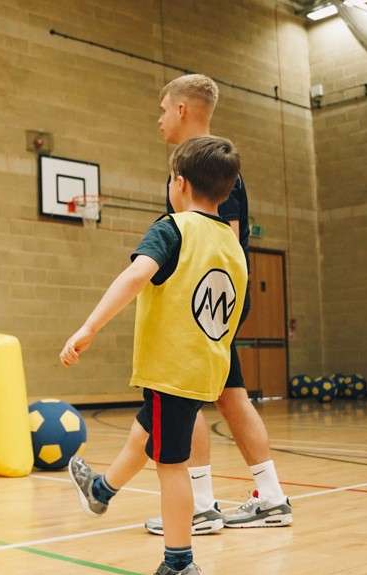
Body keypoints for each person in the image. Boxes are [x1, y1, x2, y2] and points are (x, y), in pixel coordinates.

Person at [61, 136, 248, 575]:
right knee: (144, 433)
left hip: (173, 370)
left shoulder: (172, 229)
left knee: (171, 465)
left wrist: (89, 327)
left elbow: (135, 275)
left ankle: (179, 563)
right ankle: (101, 491)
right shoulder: (232, 245)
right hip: (204, 370)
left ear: (178, 183)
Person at [147, 74, 292, 535]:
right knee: (231, 397)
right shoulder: (201, 163)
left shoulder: (210, 167)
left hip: (207, 297)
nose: (159, 119)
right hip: (211, 297)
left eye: (164, 109)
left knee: (183, 393)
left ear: (182, 109)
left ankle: (200, 506)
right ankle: (270, 498)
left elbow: (223, 242)